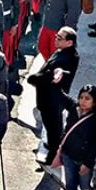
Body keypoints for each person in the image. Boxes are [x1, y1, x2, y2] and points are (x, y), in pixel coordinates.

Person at [53, 85, 96, 190]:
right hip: (68, 155)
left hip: (84, 160)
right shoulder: (73, 108)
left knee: (86, 187)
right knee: (70, 186)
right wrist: (53, 81)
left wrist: (88, 164)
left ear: (94, 101)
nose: (83, 101)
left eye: (87, 98)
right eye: (81, 97)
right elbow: (60, 95)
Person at [27, 26, 79, 164]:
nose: (56, 40)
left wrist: (33, 78)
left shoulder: (67, 58)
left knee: (53, 129)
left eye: (59, 38)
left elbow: (52, 75)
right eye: (57, 36)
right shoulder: (62, 52)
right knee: (50, 126)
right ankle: (52, 145)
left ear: (69, 42)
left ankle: (53, 157)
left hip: (53, 100)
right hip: (47, 98)